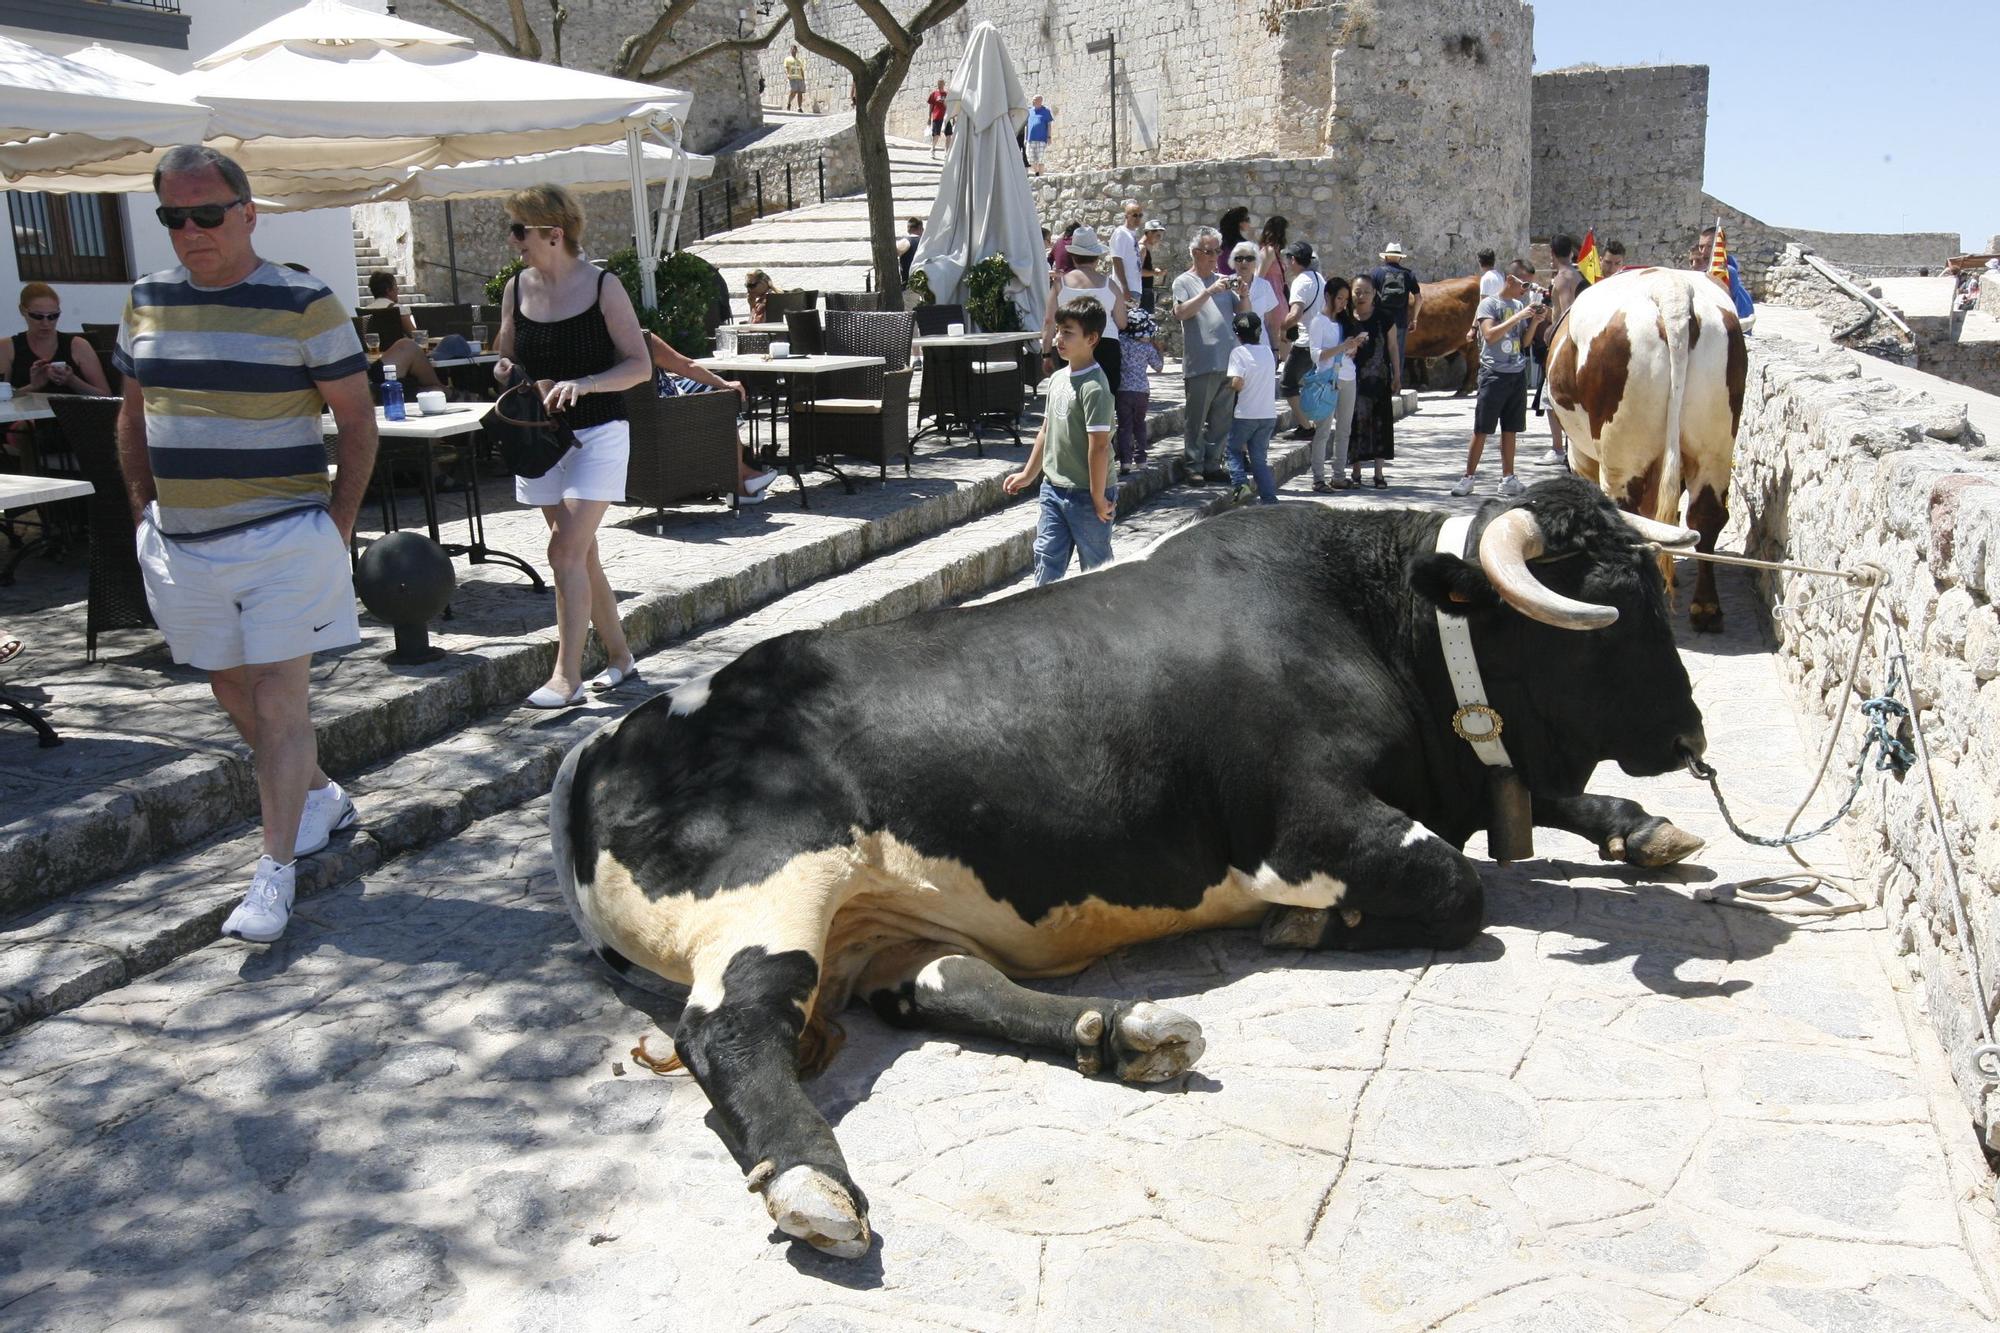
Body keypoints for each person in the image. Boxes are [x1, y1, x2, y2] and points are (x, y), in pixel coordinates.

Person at [113, 145, 378, 944]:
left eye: (207, 212)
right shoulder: (146, 300)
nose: (190, 230)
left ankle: (274, 875)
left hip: (283, 536)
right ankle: (321, 795)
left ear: (247, 212)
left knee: (276, 695)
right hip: (183, 542)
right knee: (230, 690)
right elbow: (131, 414)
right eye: (173, 216)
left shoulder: (304, 300)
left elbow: (357, 420)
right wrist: (140, 514)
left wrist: (336, 522)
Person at [492, 183, 652, 709]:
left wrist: (585, 384)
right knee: (581, 556)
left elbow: (638, 365)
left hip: (599, 433)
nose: (513, 240)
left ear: (553, 233)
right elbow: (507, 353)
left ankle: (566, 676)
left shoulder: (604, 286)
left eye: (520, 230)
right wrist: (507, 370)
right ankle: (621, 658)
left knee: (563, 551)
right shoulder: (516, 288)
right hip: (540, 439)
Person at [1005, 296, 1115, 584]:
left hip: (1087, 495)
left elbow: (1099, 446)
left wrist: (1097, 496)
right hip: (1053, 489)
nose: (1058, 338)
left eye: (1068, 332)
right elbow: (1046, 429)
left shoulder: (1095, 387)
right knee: (1046, 559)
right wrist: (1028, 474)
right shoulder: (1057, 378)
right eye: (1058, 331)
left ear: (1091, 338)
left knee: (1096, 567)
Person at [644, 332, 778, 504]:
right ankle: (738, 485)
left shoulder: (602, 348)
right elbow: (687, 365)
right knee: (722, 395)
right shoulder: (641, 339)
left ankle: (745, 472)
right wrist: (723, 383)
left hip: (637, 416)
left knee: (708, 387)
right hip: (669, 410)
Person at [1451, 259, 1547, 499]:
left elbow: (1523, 343)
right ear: (1510, 279)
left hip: (1516, 374)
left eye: (1530, 286)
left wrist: (1534, 322)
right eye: (1524, 284)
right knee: (1482, 428)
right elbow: (1490, 336)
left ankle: (1508, 477)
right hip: (1493, 374)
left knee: (1511, 429)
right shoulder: (1489, 304)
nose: (1526, 290)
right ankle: (1468, 477)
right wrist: (1519, 316)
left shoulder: (1518, 305)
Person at [3, 281, 112, 459]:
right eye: (37, 316)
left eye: (53, 316)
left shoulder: (77, 345)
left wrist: (72, 381)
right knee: (27, 430)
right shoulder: (8, 347)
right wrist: (33, 386)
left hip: (72, 422)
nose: (46, 323)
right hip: (28, 425)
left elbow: (105, 396)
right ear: (23, 311)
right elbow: (3, 398)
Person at [1171, 227, 1239, 486]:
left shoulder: (1223, 280)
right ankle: (1193, 465)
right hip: (1200, 362)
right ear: (1194, 252)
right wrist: (1208, 292)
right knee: (1196, 419)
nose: (1213, 257)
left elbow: (1243, 313)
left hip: (1227, 360)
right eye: (1208, 251)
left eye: (1217, 251)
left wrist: (1242, 293)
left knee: (1222, 419)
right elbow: (1181, 313)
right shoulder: (1184, 282)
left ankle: (1213, 463)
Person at [1041, 225, 1127, 390]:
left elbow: (1048, 321)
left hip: (1070, 343)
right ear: (1096, 258)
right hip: (1106, 343)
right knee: (1105, 398)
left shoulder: (1060, 285)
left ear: (1073, 257)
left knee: (1071, 394)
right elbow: (1122, 323)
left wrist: (1046, 354)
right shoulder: (1111, 286)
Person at [1307, 276, 1365, 493]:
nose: (1342, 303)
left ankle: (1339, 475)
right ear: (1328, 296)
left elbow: (1347, 352)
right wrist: (1341, 347)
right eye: (1339, 298)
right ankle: (1318, 477)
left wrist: (1353, 347)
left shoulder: (1344, 321)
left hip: (1348, 376)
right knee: (1323, 430)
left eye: (1345, 299)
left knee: (1344, 429)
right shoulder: (1318, 322)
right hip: (1327, 379)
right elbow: (1316, 355)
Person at [1346, 274, 1396, 488]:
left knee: (1380, 423)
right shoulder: (1346, 318)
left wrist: (1398, 375)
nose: (1361, 296)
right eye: (1357, 291)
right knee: (1355, 422)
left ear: (1374, 293)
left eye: (1366, 291)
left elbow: (1393, 347)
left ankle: (1378, 473)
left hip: (1380, 378)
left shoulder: (1385, 317)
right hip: (1352, 379)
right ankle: (1356, 472)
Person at [361, 270, 448, 394]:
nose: (398, 290)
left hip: (378, 360)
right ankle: (445, 390)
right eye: (396, 287)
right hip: (402, 360)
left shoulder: (365, 312)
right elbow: (416, 335)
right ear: (388, 290)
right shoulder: (397, 310)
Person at [1225, 311, 1279, 506]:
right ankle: (1269, 499)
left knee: (1232, 449)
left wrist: (1229, 385)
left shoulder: (1238, 353)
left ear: (1237, 334)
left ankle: (1240, 486)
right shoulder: (1267, 352)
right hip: (1268, 415)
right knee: (1259, 460)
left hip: (1245, 414)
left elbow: (1238, 382)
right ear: (1259, 331)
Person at [1541, 237, 1586, 467]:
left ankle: (1557, 448)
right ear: (1572, 252)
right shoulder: (1580, 275)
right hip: (1580, 338)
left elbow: (1563, 313)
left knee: (1550, 399)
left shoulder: (1560, 278)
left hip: (1564, 341)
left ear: (1552, 253)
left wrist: (1548, 330)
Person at [1277, 240, 1326, 439]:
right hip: (1319, 339)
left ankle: (1306, 427)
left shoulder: (1300, 281)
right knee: (1310, 383)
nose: (1287, 263)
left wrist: (1282, 328)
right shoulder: (1319, 278)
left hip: (1304, 342)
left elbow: (1295, 314)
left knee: (1287, 384)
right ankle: (1313, 422)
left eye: (1288, 258)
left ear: (1294, 260)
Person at [1113, 307, 1163, 476]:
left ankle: (1125, 462)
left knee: (1124, 426)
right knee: (1139, 425)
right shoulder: (1147, 347)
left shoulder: (1120, 342)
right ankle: (1141, 459)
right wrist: (1159, 350)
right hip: (1142, 390)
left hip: (1123, 390)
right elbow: (1158, 367)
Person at [1367, 242, 1422, 389]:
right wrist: (1414, 319)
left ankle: (1381, 386)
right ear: (1400, 258)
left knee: (1381, 352)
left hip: (1381, 321)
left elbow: (1369, 295)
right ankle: (1396, 386)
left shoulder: (1376, 273)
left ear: (1385, 257)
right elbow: (1419, 298)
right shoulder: (1408, 274)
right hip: (1400, 321)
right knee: (1398, 354)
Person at [1256, 215, 1290, 348]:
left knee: (1281, 341)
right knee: (1276, 341)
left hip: (1278, 299)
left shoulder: (1274, 252)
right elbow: (1259, 277)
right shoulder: (1268, 251)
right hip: (1272, 301)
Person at [1110, 199, 1144, 303]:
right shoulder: (1121, 233)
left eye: (1140, 215)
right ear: (1126, 216)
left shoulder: (1131, 234)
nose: (1137, 218)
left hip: (1135, 288)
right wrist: (1125, 287)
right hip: (1126, 289)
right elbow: (1116, 259)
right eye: (1134, 215)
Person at [1138, 219, 1166, 311]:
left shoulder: (1144, 248)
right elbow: (1138, 272)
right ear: (1149, 233)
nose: (1159, 239)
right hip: (1143, 291)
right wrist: (1155, 273)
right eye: (1157, 235)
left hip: (1145, 290)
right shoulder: (1142, 248)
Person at [1025, 95, 1054, 175]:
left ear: (1040, 101)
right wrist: (1025, 138)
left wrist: (1049, 137)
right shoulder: (1029, 111)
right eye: (1032, 100)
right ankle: (1037, 171)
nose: (1032, 101)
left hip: (1041, 139)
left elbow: (1049, 125)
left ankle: (1040, 177)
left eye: (1034, 100)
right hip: (1030, 139)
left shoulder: (1046, 111)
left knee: (1040, 159)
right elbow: (1027, 126)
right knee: (1029, 158)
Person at [897, 217, 924, 285]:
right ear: (920, 227)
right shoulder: (925, 242)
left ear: (908, 229)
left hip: (909, 284)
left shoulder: (905, 241)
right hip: (924, 284)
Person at [926, 79, 949, 158]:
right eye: (939, 83)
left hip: (946, 117)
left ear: (944, 84)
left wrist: (953, 118)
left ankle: (946, 152)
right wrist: (929, 117)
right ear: (937, 84)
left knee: (949, 134)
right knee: (936, 134)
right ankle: (932, 149)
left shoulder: (947, 94)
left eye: (942, 83)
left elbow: (950, 106)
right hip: (937, 116)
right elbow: (931, 106)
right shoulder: (934, 94)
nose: (940, 84)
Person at [783, 45, 806, 112]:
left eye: (795, 49)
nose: (794, 50)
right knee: (793, 92)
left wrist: (803, 79)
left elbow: (801, 70)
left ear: (796, 50)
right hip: (792, 78)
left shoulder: (799, 60)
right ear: (790, 50)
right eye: (792, 49)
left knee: (800, 93)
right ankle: (789, 103)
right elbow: (786, 67)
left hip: (799, 78)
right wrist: (787, 74)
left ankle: (799, 107)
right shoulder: (787, 59)